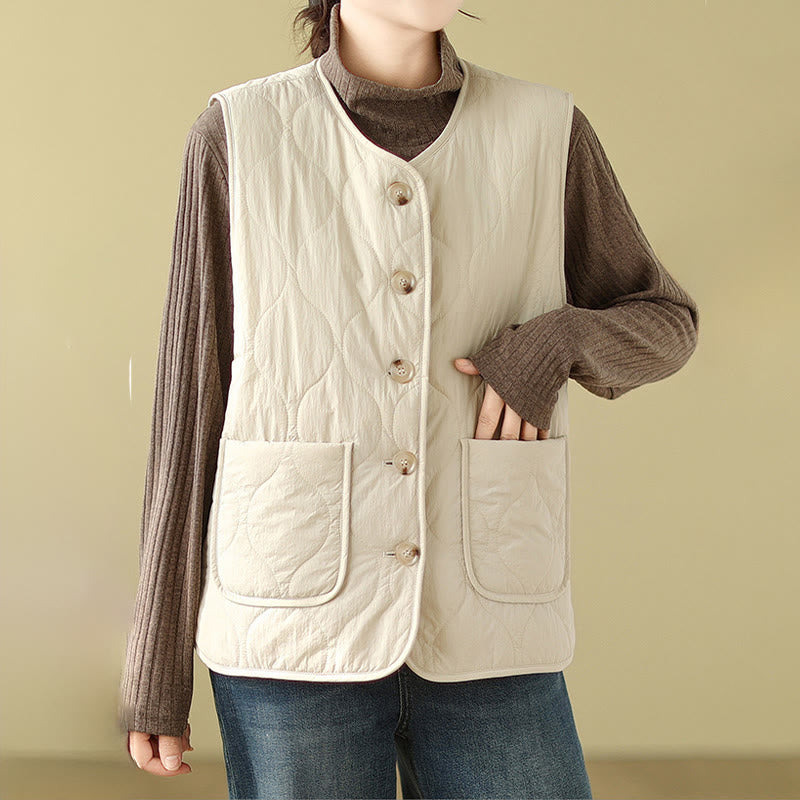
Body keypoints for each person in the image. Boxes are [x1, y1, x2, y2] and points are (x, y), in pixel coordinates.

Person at [119, 1, 700, 798]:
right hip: (291, 626)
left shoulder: (546, 129)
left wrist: (555, 342)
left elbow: (667, 321)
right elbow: (189, 406)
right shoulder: (239, 132)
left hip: (492, 618)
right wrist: (156, 666)